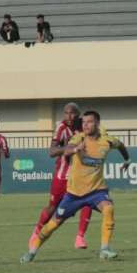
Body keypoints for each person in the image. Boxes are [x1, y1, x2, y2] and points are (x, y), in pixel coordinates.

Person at [22, 110, 131, 263]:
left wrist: (127, 160)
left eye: (89, 122)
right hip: (74, 194)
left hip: (96, 191)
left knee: (108, 208)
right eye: (84, 122)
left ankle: (105, 249)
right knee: (53, 224)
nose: (85, 125)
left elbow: (121, 146)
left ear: (98, 124)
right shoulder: (79, 138)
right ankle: (32, 251)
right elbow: (66, 149)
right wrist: (74, 149)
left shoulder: (107, 141)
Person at [31, 102, 93, 250]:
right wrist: (70, 148)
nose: (69, 116)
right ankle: (37, 232)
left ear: (78, 114)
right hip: (62, 175)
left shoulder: (84, 127)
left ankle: (80, 237)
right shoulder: (61, 128)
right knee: (53, 208)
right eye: (66, 113)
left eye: (72, 113)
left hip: (80, 175)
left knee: (88, 202)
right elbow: (52, 152)